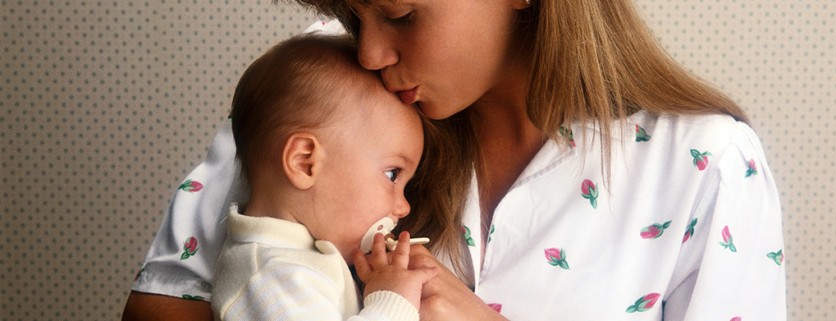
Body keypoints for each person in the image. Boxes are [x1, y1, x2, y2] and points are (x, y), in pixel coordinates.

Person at [123, 1, 787, 320]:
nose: (371, 53)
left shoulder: (706, 165)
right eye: (357, 14)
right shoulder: (323, 85)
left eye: (401, 13)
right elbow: (163, 305)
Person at [209, 33, 436, 320]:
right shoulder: (271, 279)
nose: (404, 207)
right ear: (305, 163)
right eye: (392, 174)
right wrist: (391, 301)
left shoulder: (295, 260)